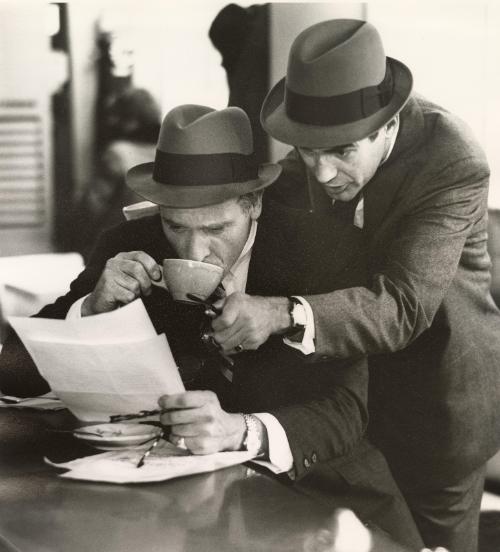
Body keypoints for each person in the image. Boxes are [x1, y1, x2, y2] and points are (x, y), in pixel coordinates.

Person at [0, 104, 422, 548]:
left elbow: (346, 411)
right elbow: (13, 369)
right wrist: (92, 307)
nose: (195, 250)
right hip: (176, 502)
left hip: (321, 497)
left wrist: (242, 430)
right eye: (175, 226)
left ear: (253, 203)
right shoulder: (126, 245)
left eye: (216, 227)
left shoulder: (325, 254)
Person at [202, 19, 500, 552]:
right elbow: (257, 205)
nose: (320, 172)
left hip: (438, 406)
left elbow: (405, 305)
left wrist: (279, 313)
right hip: (347, 408)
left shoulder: (453, 160)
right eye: (306, 151)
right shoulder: (319, 149)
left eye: (340, 151)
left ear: (387, 127)